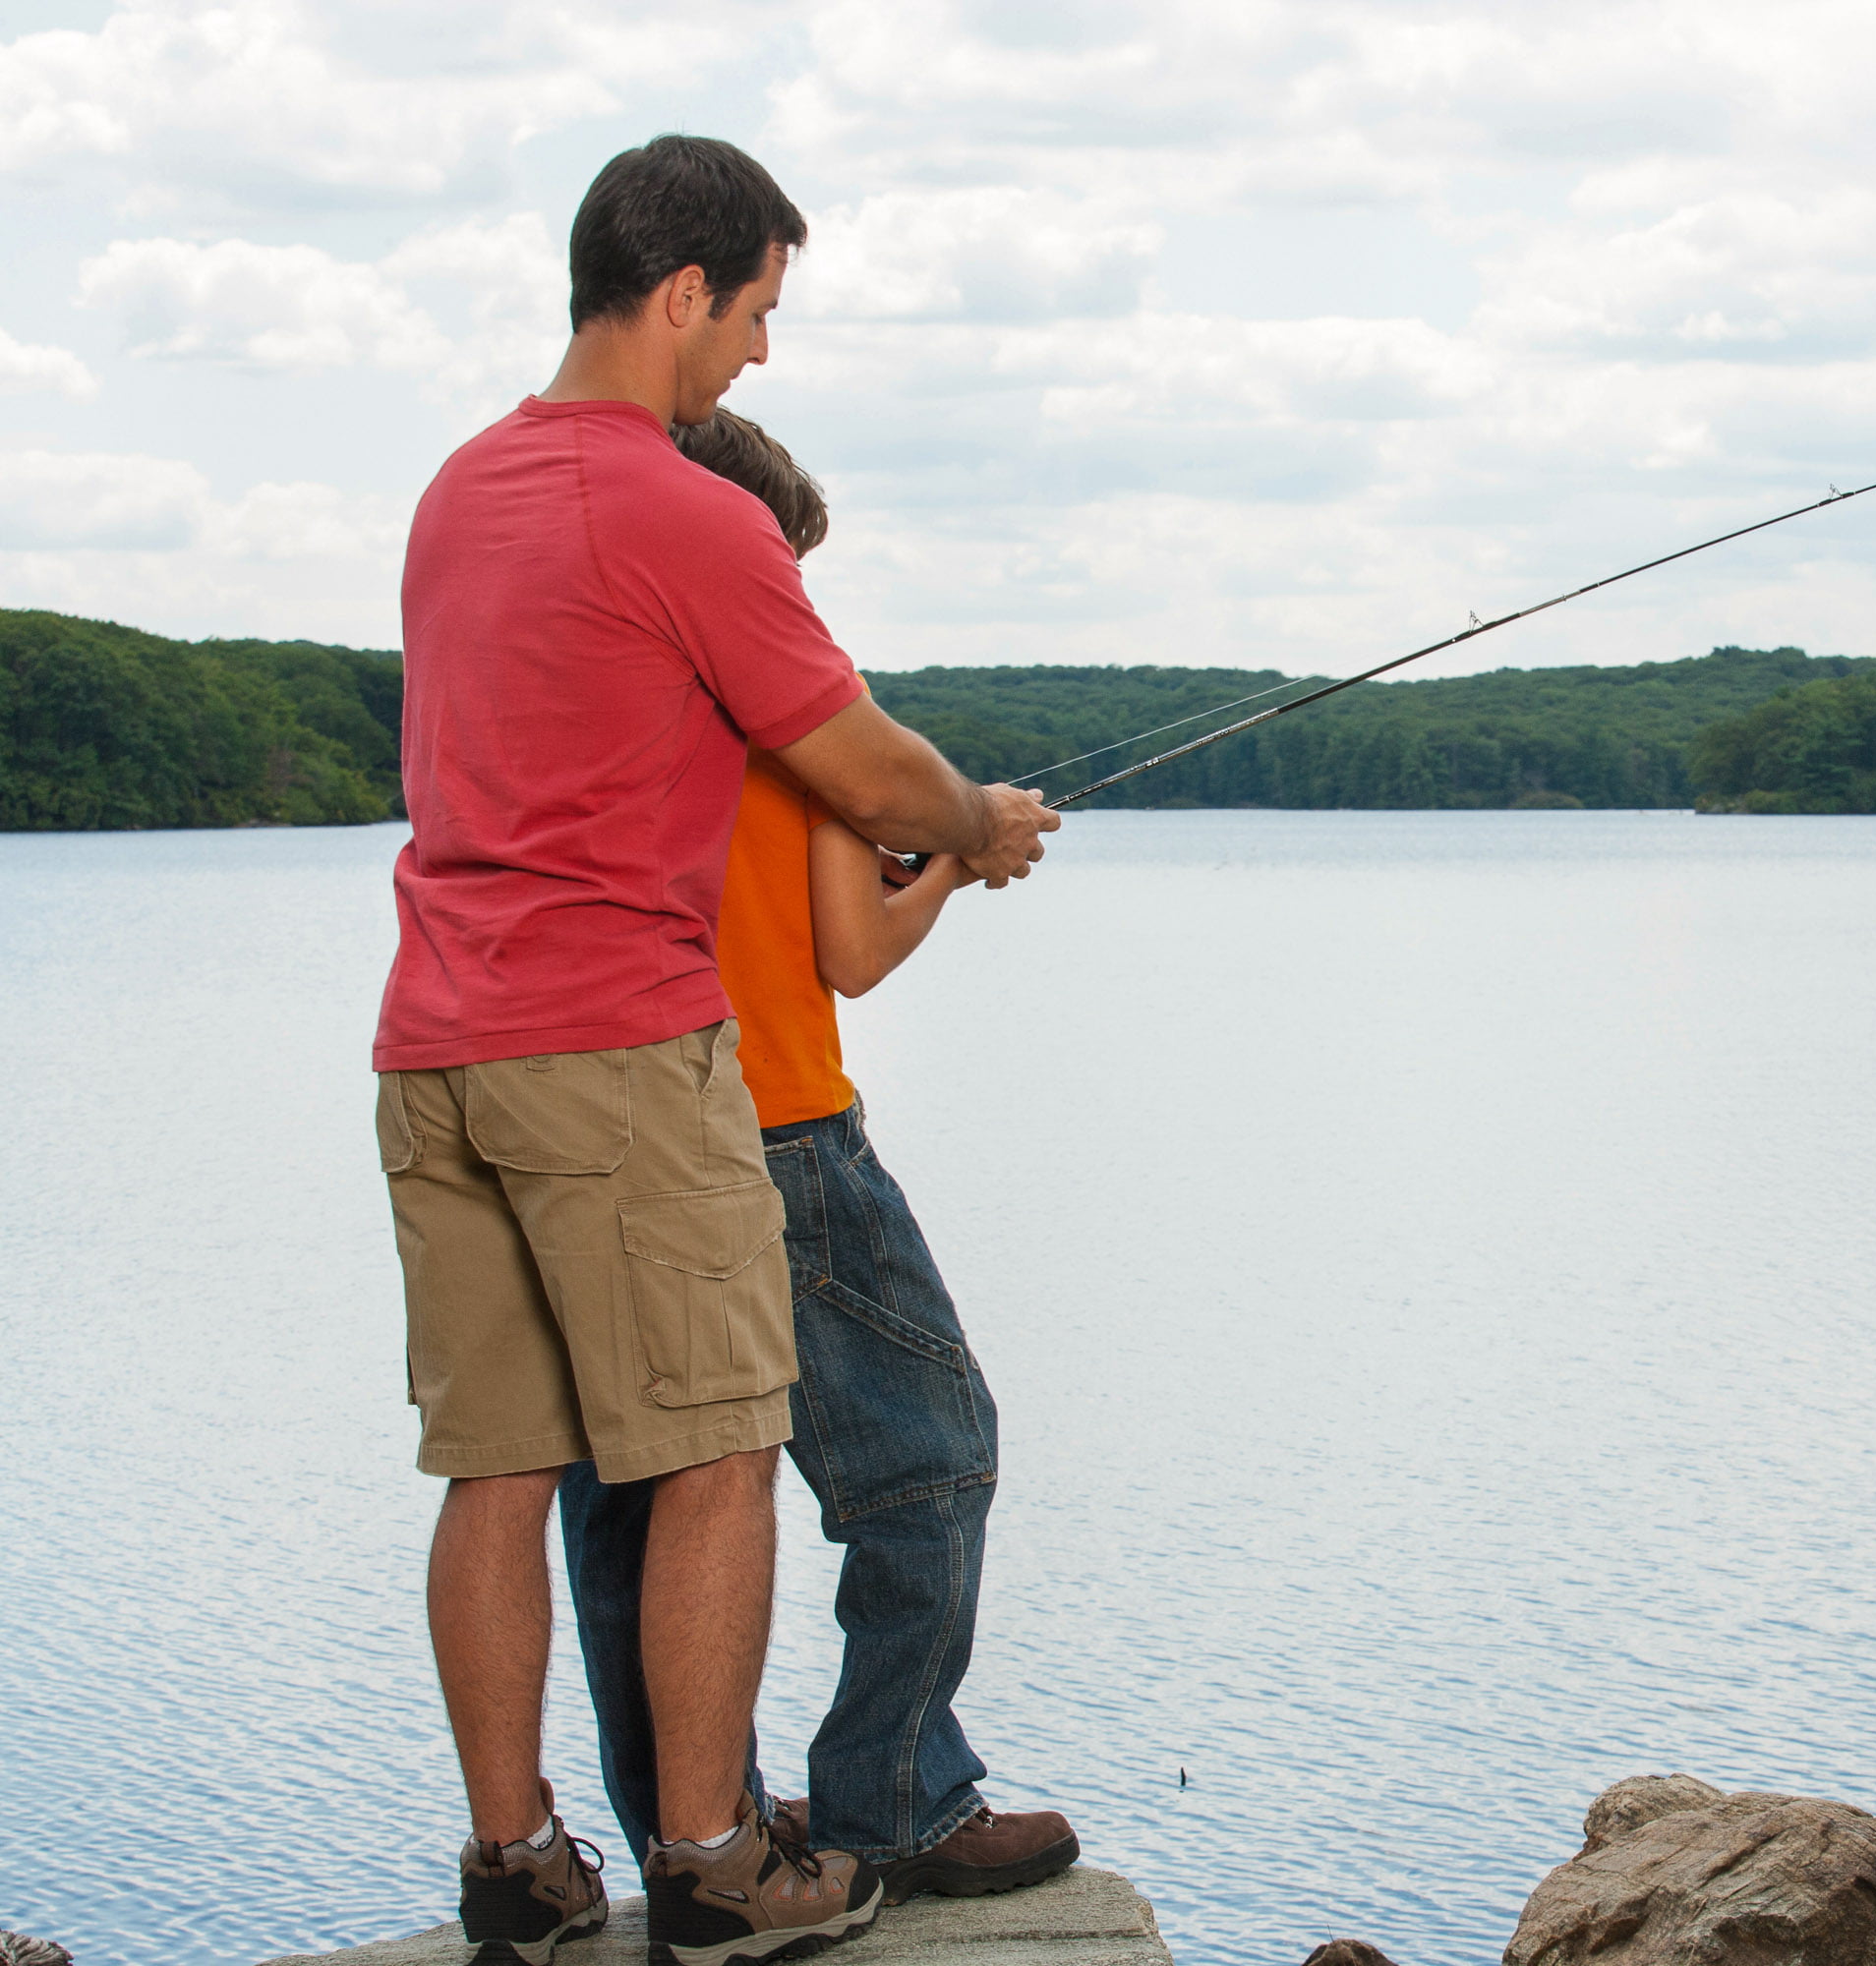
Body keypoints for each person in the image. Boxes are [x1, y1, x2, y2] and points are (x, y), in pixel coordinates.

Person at [372, 135, 1060, 1966]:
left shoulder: (459, 490)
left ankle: (514, 1871)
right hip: (617, 1051)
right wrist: (977, 825)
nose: (759, 352)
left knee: (502, 1470)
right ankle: (711, 1865)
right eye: (759, 309)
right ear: (685, 290)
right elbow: (863, 762)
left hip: (439, 1040)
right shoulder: (689, 510)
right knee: (718, 1450)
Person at [555, 411, 1080, 1903]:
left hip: (595, 1123)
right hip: (776, 1129)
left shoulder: (594, 689)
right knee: (930, 1453)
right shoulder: (791, 692)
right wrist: (966, 863)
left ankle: (689, 1831)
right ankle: (898, 1798)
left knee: (631, 1500)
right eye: (782, 566)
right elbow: (849, 952)